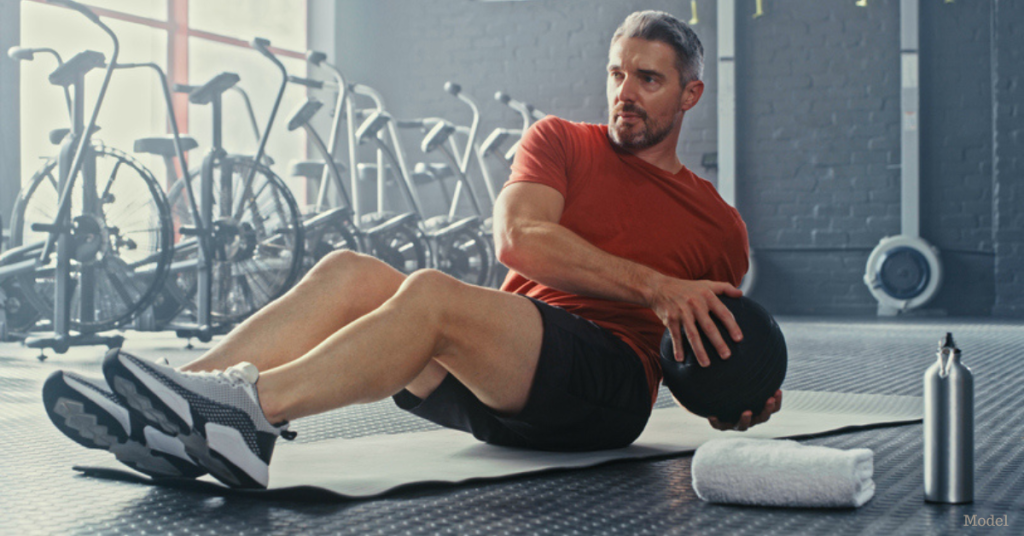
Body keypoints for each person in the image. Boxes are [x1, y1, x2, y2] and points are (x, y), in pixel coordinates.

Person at [43, 10, 782, 489]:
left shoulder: (719, 230)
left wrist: (740, 399)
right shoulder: (560, 141)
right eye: (618, 73)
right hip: (500, 380)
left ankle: (247, 417)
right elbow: (520, 239)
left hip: (606, 390)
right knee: (349, 272)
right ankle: (178, 404)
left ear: (688, 95)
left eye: (648, 80)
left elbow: (711, 355)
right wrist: (656, 285)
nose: (625, 92)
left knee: (429, 293)